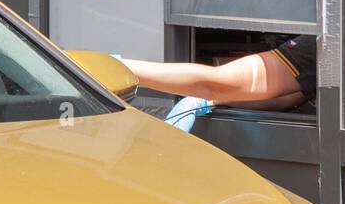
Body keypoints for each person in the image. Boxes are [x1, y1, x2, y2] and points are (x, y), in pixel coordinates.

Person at [120, 36, 315, 132]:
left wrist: (116, 67)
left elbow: (216, 83)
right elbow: (289, 96)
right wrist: (214, 99)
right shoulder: (339, 34)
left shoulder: (323, 42)